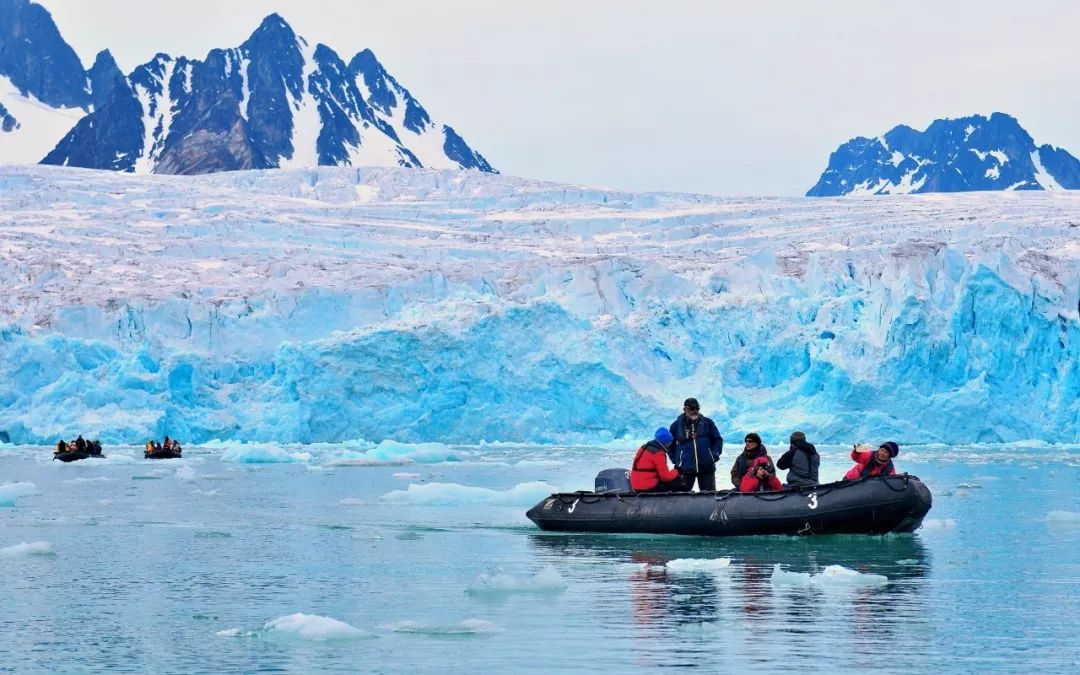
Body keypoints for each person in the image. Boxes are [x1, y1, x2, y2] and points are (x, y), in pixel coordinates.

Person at [668, 398, 724, 491]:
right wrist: (677, 461)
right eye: (692, 408)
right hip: (685, 469)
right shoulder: (676, 426)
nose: (695, 411)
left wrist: (713, 455)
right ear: (685, 409)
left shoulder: (707, 423)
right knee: (681, 498)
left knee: (709, 498)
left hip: (706, 467)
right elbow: (670, 445)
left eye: (697, 408)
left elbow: (718, 440)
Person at [630, 428, 681, 493]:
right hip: (648, 487)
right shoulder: (658, 454)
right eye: (670, 442)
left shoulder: (644, 447)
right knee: (677, 482)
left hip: (635, 485)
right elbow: (666, 477)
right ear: (666, 442)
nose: (670, 443)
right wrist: (676, 471)